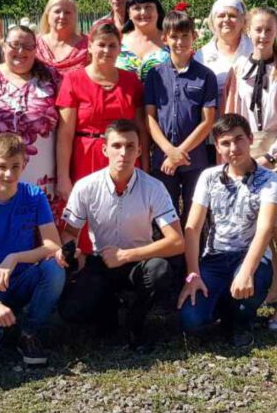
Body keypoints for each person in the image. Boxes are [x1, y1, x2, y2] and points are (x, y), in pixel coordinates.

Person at [55, 120, 184, 350]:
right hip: (101, 261)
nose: (123, 153)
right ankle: (109, 311)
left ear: (139, 150)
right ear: (105, 149)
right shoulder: (85, 187)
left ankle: (136, 322)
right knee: (71, 311)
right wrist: (71, 250)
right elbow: (69, 233)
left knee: (160, 271)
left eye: (130, 146)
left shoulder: (154, 187)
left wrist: (126, 255)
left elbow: (177, 242)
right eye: (116, 146)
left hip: (138, 261)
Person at [223, 6, 277, 331]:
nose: (262, 35)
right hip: (245, 149)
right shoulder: (239, 68)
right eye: (257, 29)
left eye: (268, 29)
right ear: (248, 30)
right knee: (257, 227)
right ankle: (268, 287)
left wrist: (271, 156)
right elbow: (233, 114)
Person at [0, 133, 66, 366]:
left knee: (54, 267)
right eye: (2, 167)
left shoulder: (34, 196)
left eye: (15, 167)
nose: (9, 174)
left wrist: (14, 258)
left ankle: (29, 331)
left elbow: (53, 245)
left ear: (24, 165)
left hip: (22, 279)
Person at [178, 113, 277, 349]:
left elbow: (265, 229)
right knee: (191, 321)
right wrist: (192, 275)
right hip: (215, 257)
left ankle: (242, 321)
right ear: (217, 147)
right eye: (225, 143)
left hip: (249, 257)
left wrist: (246, 271)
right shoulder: (208, 177)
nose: (233, 148)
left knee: (251, 283)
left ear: (250, 139)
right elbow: (192, 228)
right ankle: (224, 306)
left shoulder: (270, 179)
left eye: (239, 139)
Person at [56, 22, 147, 253]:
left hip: (124, 157)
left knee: (125, 212)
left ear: (120, 49)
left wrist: (144, 166)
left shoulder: (131, 81)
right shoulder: (73, 80)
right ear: (90, 46)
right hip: (86, 156)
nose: (107, 50)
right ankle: (85, 264)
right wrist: (63, 176)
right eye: (101, 45)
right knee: (85, 212)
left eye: (112, 45)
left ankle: (123, 261)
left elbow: (141, 129)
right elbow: (65, 133)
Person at [0, 25, 63, 223]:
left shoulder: (52, 78)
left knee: (41, 234)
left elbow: (66, 129)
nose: (21, 51)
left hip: (43, 178)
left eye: (28, 46)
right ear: (3, 46)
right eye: (15, 45)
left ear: (36, 50)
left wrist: (64, 175)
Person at [144, 10, 218, 217]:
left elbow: (207, 121)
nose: (180, 42)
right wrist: (169, 151)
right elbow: (149, 117)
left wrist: (179, 153)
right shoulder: (155, 75)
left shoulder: (206, 76)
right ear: (164, 38)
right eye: (174, 36)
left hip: (194, 160)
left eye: (185, 36)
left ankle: (194, 241)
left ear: (194, 36)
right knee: (165, 216)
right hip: (163, 160)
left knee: (195, 215)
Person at [194, 0, 253, 100]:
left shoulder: (255, 50)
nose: (226, 19)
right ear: (213, 21)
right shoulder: (201, 57)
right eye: (221, 16)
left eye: (232, 15)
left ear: (243, 21)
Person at [116, 0, 171, 80]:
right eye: (137, 8)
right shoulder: (118, 41)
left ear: (157, 10)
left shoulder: (171, 40)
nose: (143, 12)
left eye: (148, 7)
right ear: (129, 13)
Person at [35, 0, 88, 73]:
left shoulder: (88, 46)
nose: (62, 16)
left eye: (67, 12)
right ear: (47, 14)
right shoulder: (34, 44)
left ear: (75, 15)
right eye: (57, 11)